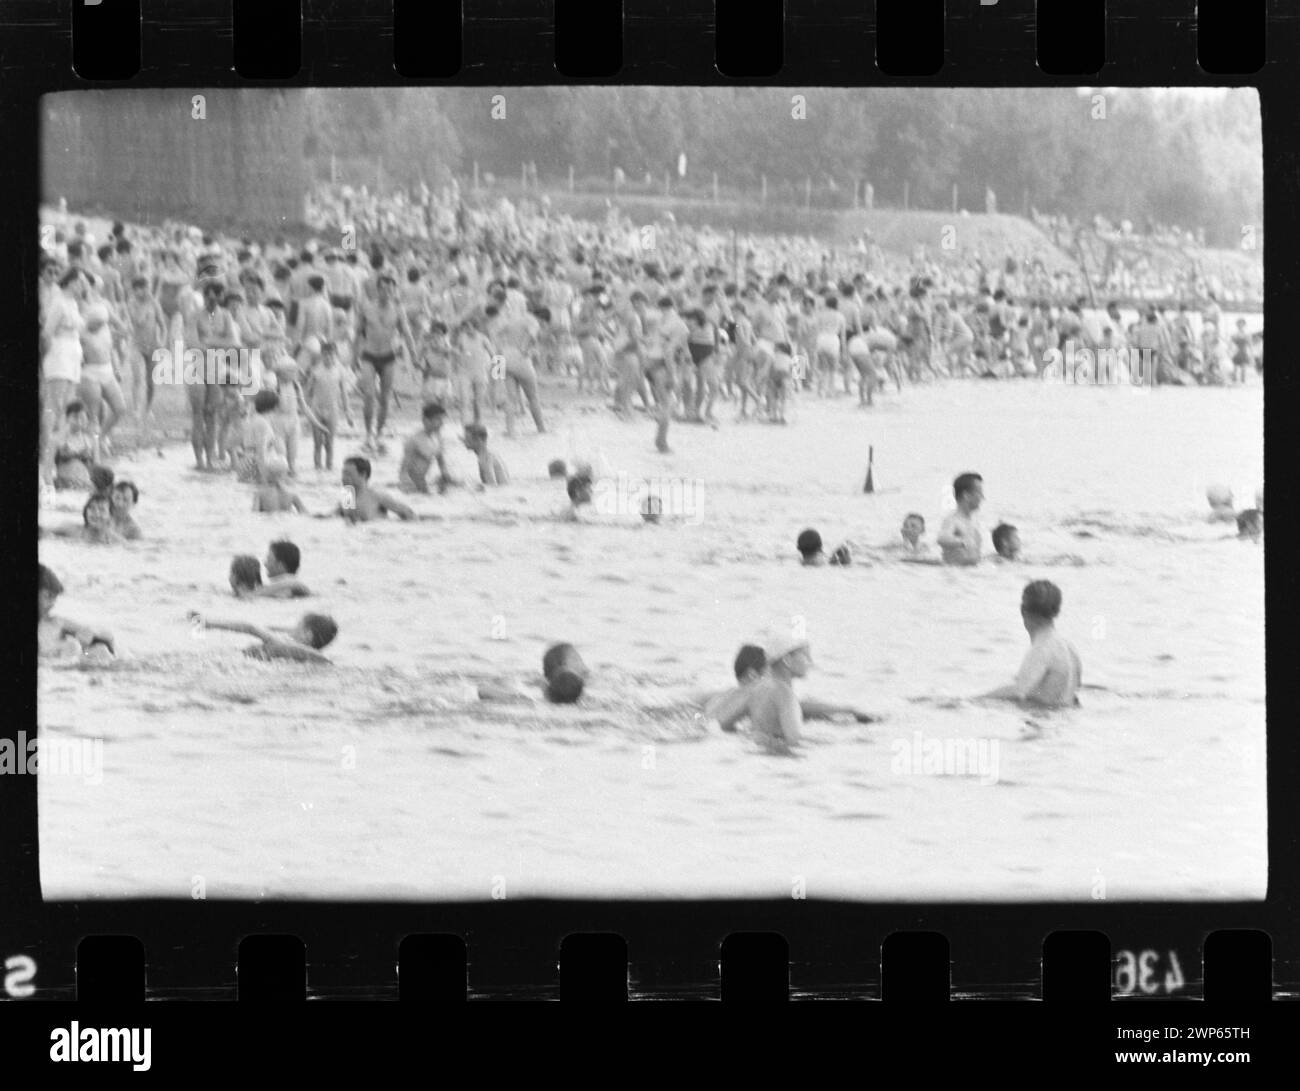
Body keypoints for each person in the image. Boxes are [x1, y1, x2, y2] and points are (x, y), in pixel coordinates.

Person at [701, 644, 875, 724]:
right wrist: (848, 710)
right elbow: (801, 706)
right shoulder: (760, 691)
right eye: (769, 671)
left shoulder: (722, 696)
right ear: (752, 675)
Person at [982, 580, 1081, 708]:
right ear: (1057, 611)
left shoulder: (1042, 648)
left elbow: (1019, 692)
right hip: (1064, 722)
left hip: (1043, 723)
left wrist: (972, 700)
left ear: (1023, 610)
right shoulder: (1070, 648)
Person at [712, 631, 812, 752]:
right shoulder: (784, 692)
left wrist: (748, 736)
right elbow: (795, 743)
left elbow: (719, 724)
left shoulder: (755, 688)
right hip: (777, 761)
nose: (811, 661)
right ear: (787, 659)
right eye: (805, 655)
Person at [191, 611, 337, 665]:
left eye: (297, 626)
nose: (291, 629)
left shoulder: (281, 644)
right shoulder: (309, 658)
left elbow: (250, 627)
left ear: (307, 635)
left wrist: (206, 623)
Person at [39, 565, 114, 659]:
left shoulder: (56, 622)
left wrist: (90, 632)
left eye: (54, 598)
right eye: (48, 596)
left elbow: (102, 634)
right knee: (72, 645)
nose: (52, 603)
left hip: (71, 661)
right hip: (53, 663)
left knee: (101, 649)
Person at [398, 402, 458, 493]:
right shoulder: (414, 440)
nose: (442, 423)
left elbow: (441, 463)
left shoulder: (438, 438)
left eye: (442, 420)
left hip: (423, 482)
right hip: (412, 484)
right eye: (438, 419)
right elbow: (403, 471)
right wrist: (409, 487)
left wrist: (446, 477)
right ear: (426, 420)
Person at [337, 456, 415, 522]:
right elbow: (337, 515)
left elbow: (409, 514)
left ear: (363, 475)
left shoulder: (377, 497)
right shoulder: (347, 495)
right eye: (343, 473)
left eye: (348, 474)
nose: (343, 478)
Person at [937, 472, 984, 565]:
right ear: (966, 495)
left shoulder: (972, 522)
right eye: (979, 493)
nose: (982, 497)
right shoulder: (952, 520)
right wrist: (963, 542)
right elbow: (942, 538)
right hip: (956, 573)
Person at [52, 400, 97, 490]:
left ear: (87, 419)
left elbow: (96, 466)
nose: (79, 422)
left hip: (85, 484)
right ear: (67, 417)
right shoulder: (57, 439)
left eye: (83, 418)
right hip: (63, 484)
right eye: (75, 417)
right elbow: (50, 467)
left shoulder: (91, 440)